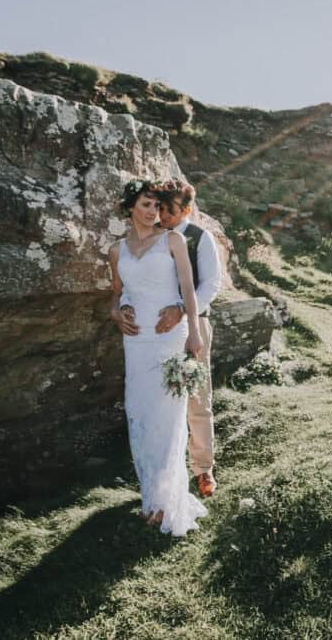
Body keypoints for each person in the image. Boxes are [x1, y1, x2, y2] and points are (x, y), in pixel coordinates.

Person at [108, 180, 207, 535]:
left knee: (167, 419)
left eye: (157, 206)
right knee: (140, 414)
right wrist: (116, 313)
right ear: (130, 207)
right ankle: (150, 498)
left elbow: (189, 290)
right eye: (147, 205)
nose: (154, 213)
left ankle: (167, 504)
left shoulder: (173, 241)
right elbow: (116, 295)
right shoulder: (116, 250)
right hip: (136, 342)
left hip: (168, 337)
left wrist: (194, 333)